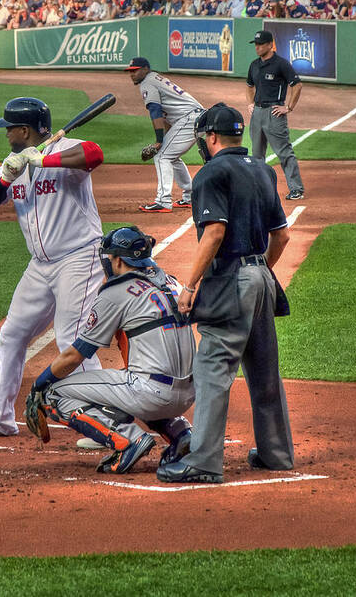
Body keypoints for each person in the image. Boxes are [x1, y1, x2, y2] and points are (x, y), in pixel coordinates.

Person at [157, 103, 294, 485]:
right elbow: (281, 235)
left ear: (211, 137)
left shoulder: (212, 172)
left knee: (212, 368)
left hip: (232, 280)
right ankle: (277, 454)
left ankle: (202, 461)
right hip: (263, 279)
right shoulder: (263, 170)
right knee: (264, 371)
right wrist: (260, 270)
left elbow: (214, 232)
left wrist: (189, 286)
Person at [0, 97, 105, 438]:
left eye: (9, 128)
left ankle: (104, 422)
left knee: (72, 339)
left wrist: (45, 159)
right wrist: (4, 179)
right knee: (12, 335)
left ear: (23, 130)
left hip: (79, 258)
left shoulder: (66, 149)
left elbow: (95, 154)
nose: (6, 133)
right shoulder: (15, 162)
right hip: (40, 266)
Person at [24, 226, 195, 474]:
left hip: (152, 395)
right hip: (190, 392)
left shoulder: (116, 292)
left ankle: (127, 440)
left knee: (54, 394)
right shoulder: (172, 282)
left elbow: (76, 355)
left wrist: (39, 384)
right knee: (133, 377)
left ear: (118, 259)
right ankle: (181, 433)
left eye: (109, 257)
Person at [125, 57, 205, 213]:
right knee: (170, 155)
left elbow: (155, 111)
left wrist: (159, 141)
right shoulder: (155, 79)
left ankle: (163, 201)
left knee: (162, 156)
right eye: (130, 72)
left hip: (189, 119)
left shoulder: (147, 82)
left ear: (145, 69)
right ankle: (189, 197)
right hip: (197, 117)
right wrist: (166, 139)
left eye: (135, 71)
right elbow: (166, 114)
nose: (132, 75)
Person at [245, 30, 305, 200]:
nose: (257, 47)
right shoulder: (254, 65)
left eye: (260, 44)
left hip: (274, 113)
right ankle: (258, 189)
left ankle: (296, 189)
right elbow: (249, 85)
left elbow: (297, 85)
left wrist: (289, 107)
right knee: (256, 155)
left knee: (284, 152)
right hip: (257, 113)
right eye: (255, 44)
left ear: (270, 45)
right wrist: (250, 103)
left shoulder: (281, 64)